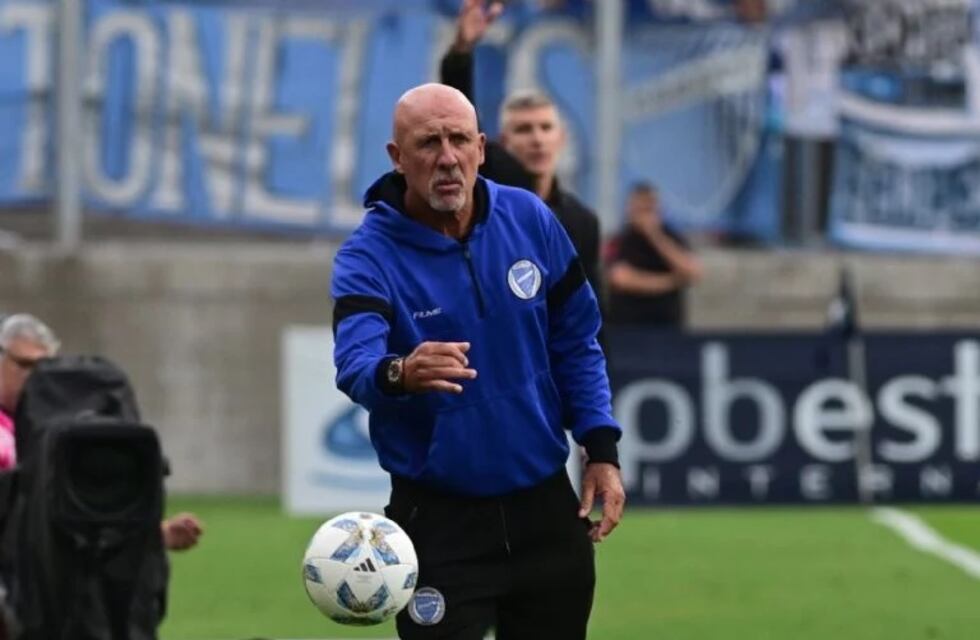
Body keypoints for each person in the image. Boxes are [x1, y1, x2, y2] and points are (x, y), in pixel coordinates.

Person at [331, 83, 624, 639]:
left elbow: (577, 340)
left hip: (545, 511)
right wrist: (400, 372)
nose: (447, 157)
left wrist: (601, 449)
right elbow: (355, 363)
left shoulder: (529, 217)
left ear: (482, 148)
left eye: (460, 140)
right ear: (397, 157)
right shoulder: (367, 255)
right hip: (440, 523)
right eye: (428, 143)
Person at [440, 0, 604, 303]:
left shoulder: (581, 221)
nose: (537, 139)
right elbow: (459, 122)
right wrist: (461, 52)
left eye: (545, 128)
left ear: (561, 138)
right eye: (524, 130)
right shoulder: (487, 197)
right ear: (503, 141)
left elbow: (590, 309)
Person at [0, 314, 203, 552]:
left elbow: (81, 517)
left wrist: (156, 536)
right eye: (25, 365)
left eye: (46, 368)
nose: (37, 378)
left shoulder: (61, 435)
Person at [605, 183, 704, 326]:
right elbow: (621, 279)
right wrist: (674, 281)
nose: (645, 216)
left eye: (649, 210)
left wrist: (655, 235)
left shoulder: (672, 238)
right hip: (627, 327)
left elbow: (692, 271)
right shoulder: (620, 240)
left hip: (667, 326)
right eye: (640, 210)